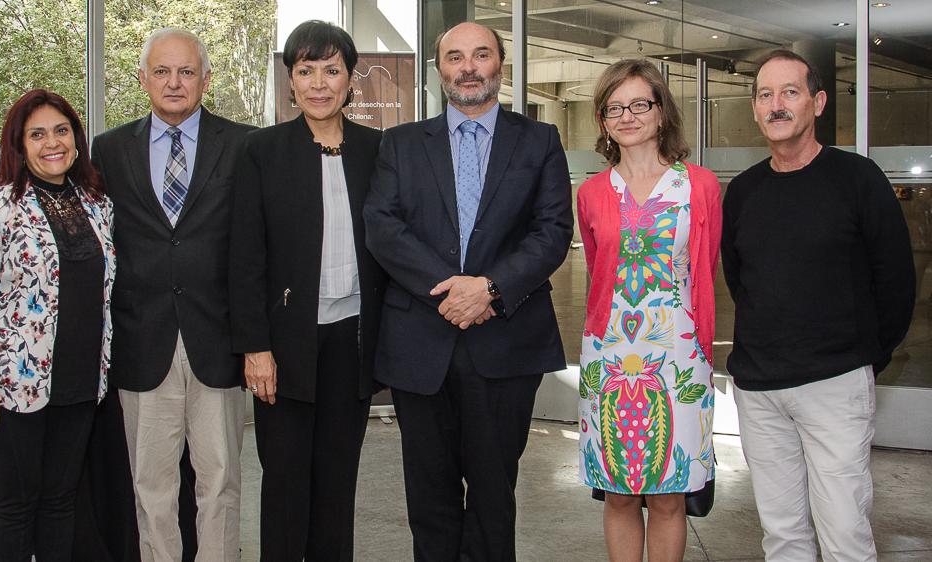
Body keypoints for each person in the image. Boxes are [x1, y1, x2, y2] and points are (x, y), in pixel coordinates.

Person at [363, 21, 572, 562]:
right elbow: (383, 226)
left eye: (481, 55)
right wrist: (453, 291)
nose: (468, 67)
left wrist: (491, 290)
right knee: (428, 497)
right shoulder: (401, 143)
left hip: (505, 343)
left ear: (499, 63)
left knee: (493, 496)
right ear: (439, 70)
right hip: (420, 345)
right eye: (455, 57)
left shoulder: (540, 140)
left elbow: (551, 231)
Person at [721, 49, 915, 561]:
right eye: (765, 95)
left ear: (818, 102)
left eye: (790, 92)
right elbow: (741, 280)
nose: (776, 105)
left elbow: (895, 281)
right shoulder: (742, 192)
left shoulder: (858, 179)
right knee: (783, 535)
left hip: (835, 384)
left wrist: (862, 358)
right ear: (755, 109)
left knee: (845, 531)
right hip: (760, 391)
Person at [90, 28, 254, 561]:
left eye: (186, 71)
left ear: (206, 79)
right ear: (142, 80)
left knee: (221, 483)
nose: (174, 82)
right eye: (162, 71)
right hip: (143, 343)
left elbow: (255, 248)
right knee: (151, 488)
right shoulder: (109, 149)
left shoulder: (244, 145)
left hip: (219, 341)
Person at [229, 20, 386, 561]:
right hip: (284, 345)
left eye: (332, 70)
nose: (319, 83)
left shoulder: (377, 149)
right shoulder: (261, 151)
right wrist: (255, 346)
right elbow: (244, 258)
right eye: (306, 70)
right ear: (290, 81)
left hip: (353, 340)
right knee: (286, 485)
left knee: (338, 485)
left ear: (350, 81)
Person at [0, 88, 115, 561]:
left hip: (79, 381)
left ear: (76, 138)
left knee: (61, 502)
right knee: (17, 504)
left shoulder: (96, 203)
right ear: (19, 145)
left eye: (61, 131)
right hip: (9, 386)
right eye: (37, 134)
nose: (52, 143)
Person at [575, 59, 720, 562]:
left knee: (667, 493)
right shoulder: (591, 193)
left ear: (662, 112)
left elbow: (705, 270)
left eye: (640, 104)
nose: (627, 116)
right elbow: (599, 274)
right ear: (602, 120)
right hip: (609, 355)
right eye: (614, 107)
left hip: (679, 355)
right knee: (617, 492)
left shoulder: (699, 186)